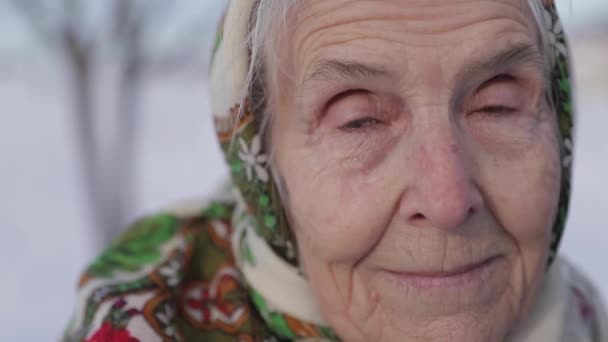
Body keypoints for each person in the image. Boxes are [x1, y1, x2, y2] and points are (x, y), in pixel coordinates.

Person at [63, 0, 608, 341]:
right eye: (359, 120)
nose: (446, 201)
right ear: (264, 166)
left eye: (497, 106)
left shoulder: (586, 320)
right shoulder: (146, 326)